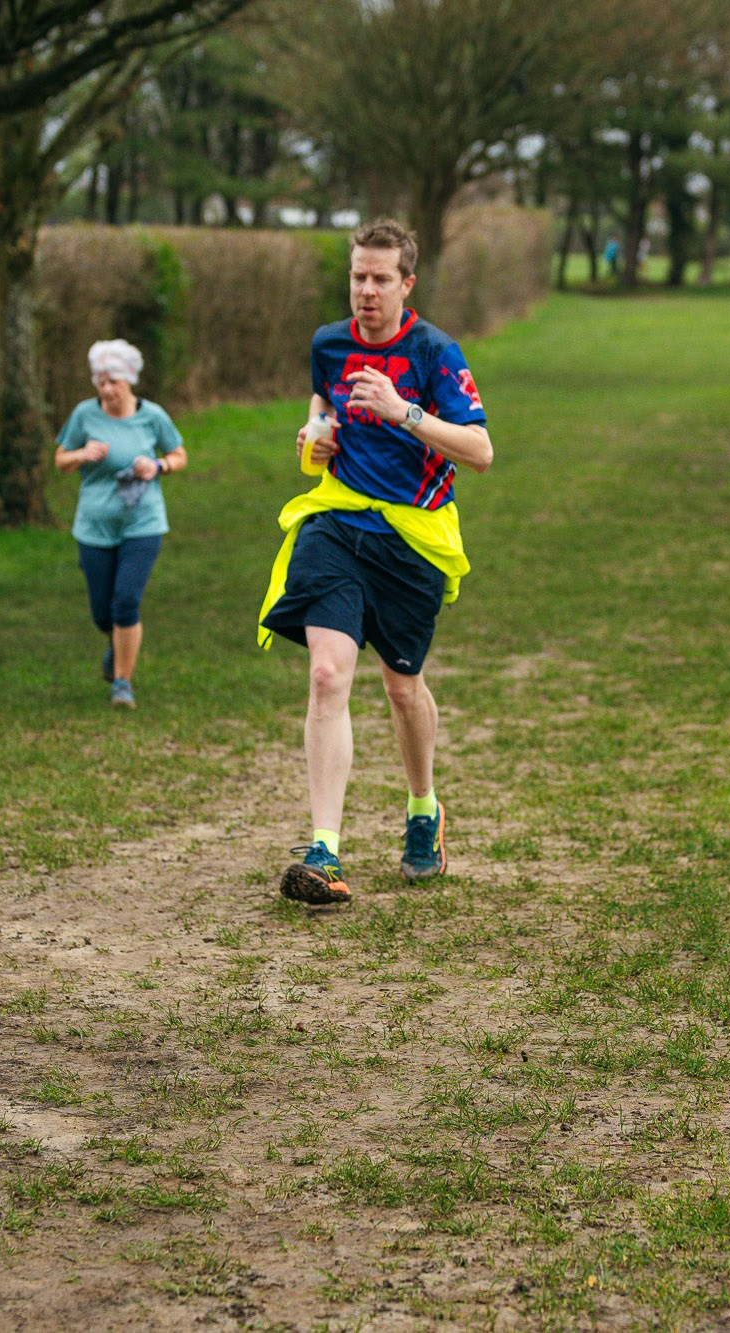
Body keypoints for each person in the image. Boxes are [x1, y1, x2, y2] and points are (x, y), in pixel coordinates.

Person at [258, 218, 492, 904]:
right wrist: (314, 435)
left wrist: (403, 412)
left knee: (400, 687)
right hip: (338, 522)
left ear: (406, 284)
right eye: (358, 275)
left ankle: (424, 807)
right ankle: (324, 849)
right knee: (328, 673)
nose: (366, 289)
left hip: (412, 541)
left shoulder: (436, 354)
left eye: (380, 278)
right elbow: (323, 404)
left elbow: (480, 453)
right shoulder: (328, 343)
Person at [52, 338, 186, 709]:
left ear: (129, 380)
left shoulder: (152, 416)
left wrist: (157, 466)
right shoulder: (84, 415)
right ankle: (116, 643)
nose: (105, 388)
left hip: (143, 524)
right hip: (94, 526)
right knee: (102, 613)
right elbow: (60, 460)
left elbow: (179, 454)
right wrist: (82, 454)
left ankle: (123, 682)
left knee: (125, 602)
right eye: (99, 381)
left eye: (112, 381)